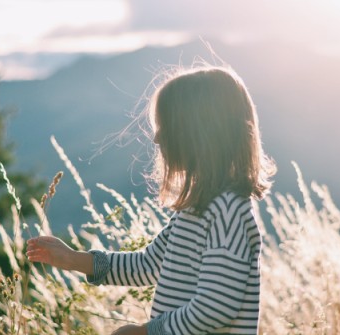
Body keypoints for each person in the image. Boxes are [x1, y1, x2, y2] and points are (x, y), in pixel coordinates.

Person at [26, 65, 276, 335]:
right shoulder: (196, 208)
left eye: (166, 127)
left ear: (199, 134)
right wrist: (74, 259)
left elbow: (215, 308)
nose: (157, 138)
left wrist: (147, 331)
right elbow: (148, 265)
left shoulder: (228, 212)